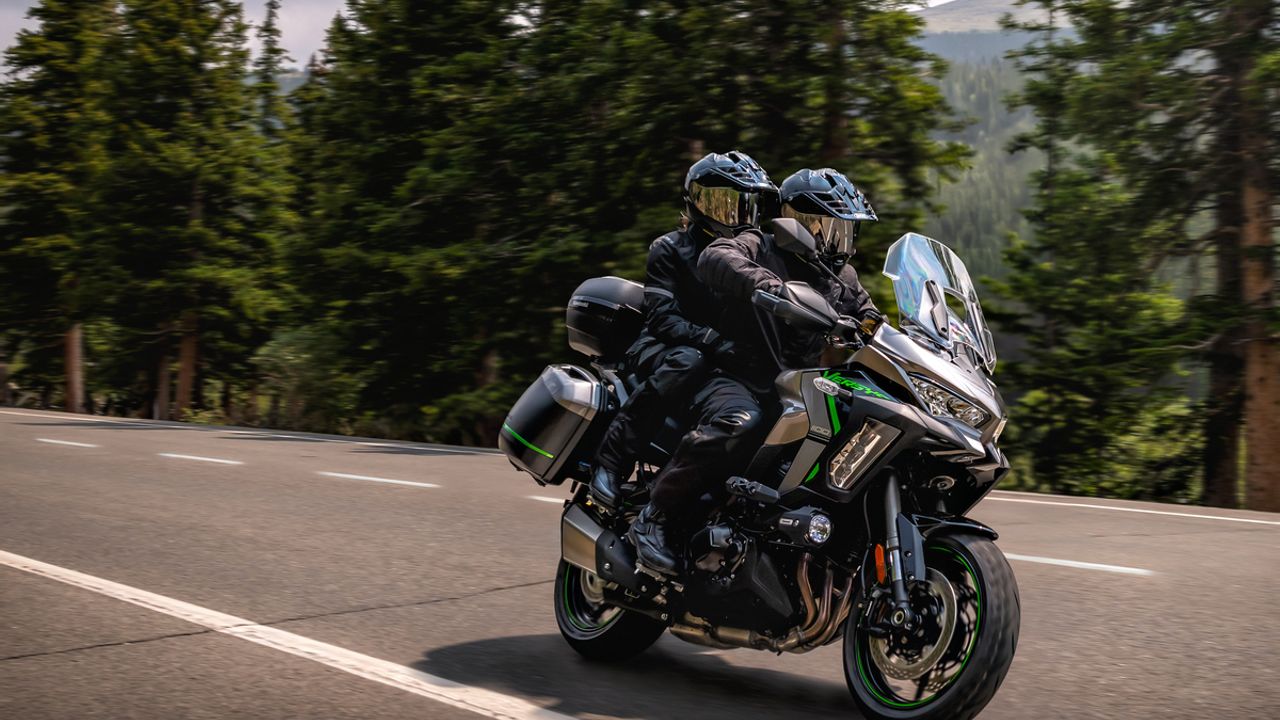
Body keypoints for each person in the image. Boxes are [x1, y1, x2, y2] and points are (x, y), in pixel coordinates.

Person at [628, 168, 880, 575]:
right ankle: (653, 518)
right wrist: (772, 288)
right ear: (799, 224)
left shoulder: (841, 277)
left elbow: (871, 318)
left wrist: (896, 338)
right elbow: (717, 258)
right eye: (831, 228)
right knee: (738, 422)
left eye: (846, 231)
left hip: (797, 387)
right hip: (735, 374)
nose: (839, 241)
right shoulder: (759, 245)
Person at [590, 151, 777, 512]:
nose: (734, 214)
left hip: (721, 356)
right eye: (722, 203)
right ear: (697, 202)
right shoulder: (670, 249)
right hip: (661, 346)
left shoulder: (753, 256)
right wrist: (712, 340)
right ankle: (610, 461)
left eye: (744, 204)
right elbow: (663, 319)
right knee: (688, 361)